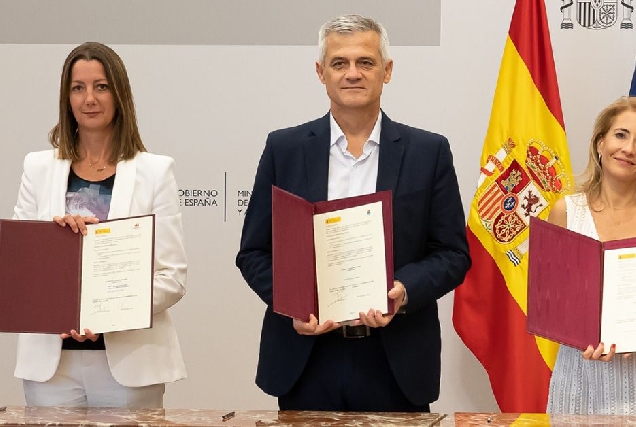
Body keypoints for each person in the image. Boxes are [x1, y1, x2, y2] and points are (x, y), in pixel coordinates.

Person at [236, 14, 470, 411]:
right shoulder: (285, 149)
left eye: (366, 62)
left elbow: (452, 254)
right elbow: (254, 252)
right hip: (306, 356)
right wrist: (293, 302)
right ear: (320, 73)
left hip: (396, 360)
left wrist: (402, 291)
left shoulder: (428, 152)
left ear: (387, 71)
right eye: (339, 63)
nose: (352, 74)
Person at [12, 42, 187, 407]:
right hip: (51, 365)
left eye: (101, 86)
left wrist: (110, 313)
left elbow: (171, 278)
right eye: (78, 88)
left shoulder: (155, 172)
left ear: (119, 93)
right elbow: (20, 268)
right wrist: (52, 238)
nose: (89, 98)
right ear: (67, 97)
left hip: (130, 364)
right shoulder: (37, 168)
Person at [546, 96, 636, 414]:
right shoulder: (566, 212)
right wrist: (577, 330)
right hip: (577, 385)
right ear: (600, 143)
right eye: (621, 135)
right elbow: (551, 301)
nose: (629, 148)